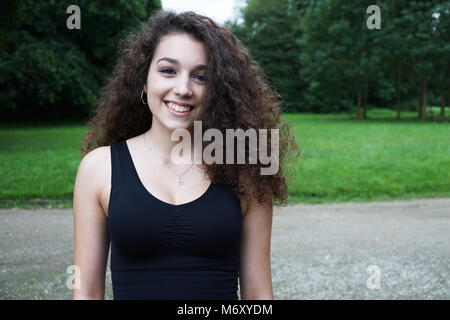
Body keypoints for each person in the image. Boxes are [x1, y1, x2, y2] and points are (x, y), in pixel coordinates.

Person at [72, 10, 298, 300]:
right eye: (168, 70)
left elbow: (257, 293)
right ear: (144, 80)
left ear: (217, 90)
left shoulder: (247, 170)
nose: (183, 89)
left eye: (200, 77)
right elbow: (87, 292)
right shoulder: (99, 168)